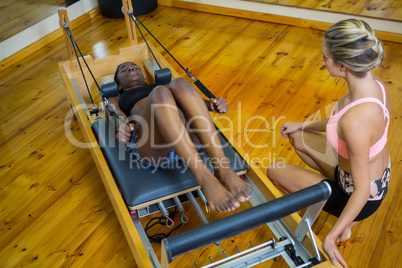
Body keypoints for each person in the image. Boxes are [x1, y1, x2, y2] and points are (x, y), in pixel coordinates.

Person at [266, 19, 390, 267]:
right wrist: (302, 125)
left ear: (343, 65)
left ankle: (348, 219)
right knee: (296, 135)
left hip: (358, 195)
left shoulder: (357, 121)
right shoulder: (372, 85)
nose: (322, 61)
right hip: (353, 174)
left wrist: (331, 238)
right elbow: (338, 121)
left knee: (274, 170)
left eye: (325, 57)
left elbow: (362, 190)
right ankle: (338, 206)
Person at [107, 61, 252, 213]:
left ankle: (223, 168)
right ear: (120, 87)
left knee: (180, 83)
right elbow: (115, 114)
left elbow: (192, 104)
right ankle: (204, 177)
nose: (131, 68)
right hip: (154, 145)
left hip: (187, 137)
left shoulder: (163, 86)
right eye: (124, 70)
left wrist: (212, 105)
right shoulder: (116, 99)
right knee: (160, 93)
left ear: (144, 77)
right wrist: (120, 126)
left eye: (135, 67)